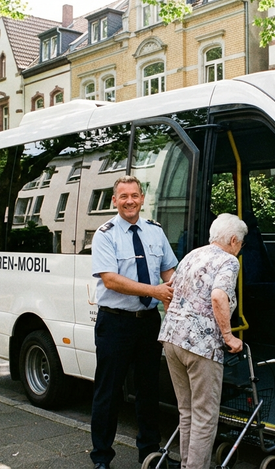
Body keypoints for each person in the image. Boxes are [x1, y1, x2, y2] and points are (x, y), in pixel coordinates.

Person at [90, 175, 178, 469]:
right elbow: (111, 280)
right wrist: (154, 291)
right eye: (123, 196)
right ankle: (102, 458)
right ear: (115, 201)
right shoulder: (105, 234)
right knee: (109, 393)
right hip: (115, 324)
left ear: (142, 198)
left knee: (148, 392)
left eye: (135, 195)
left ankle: (150, 454)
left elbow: (169, 271)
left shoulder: (155, 232)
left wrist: (177, 287)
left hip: (148, 323)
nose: (130, 201)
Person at [158, 213, 246, 469]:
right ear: (232, 240)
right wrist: (228, 336)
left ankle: (187, 464)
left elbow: (169, 290)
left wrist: (176, 318)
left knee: (187, 412)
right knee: (205, 417)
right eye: (240, 243)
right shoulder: (228, 261)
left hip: (172, 338)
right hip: (201, 346)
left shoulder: (192, 255)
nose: (240, 248)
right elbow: (219, 296)